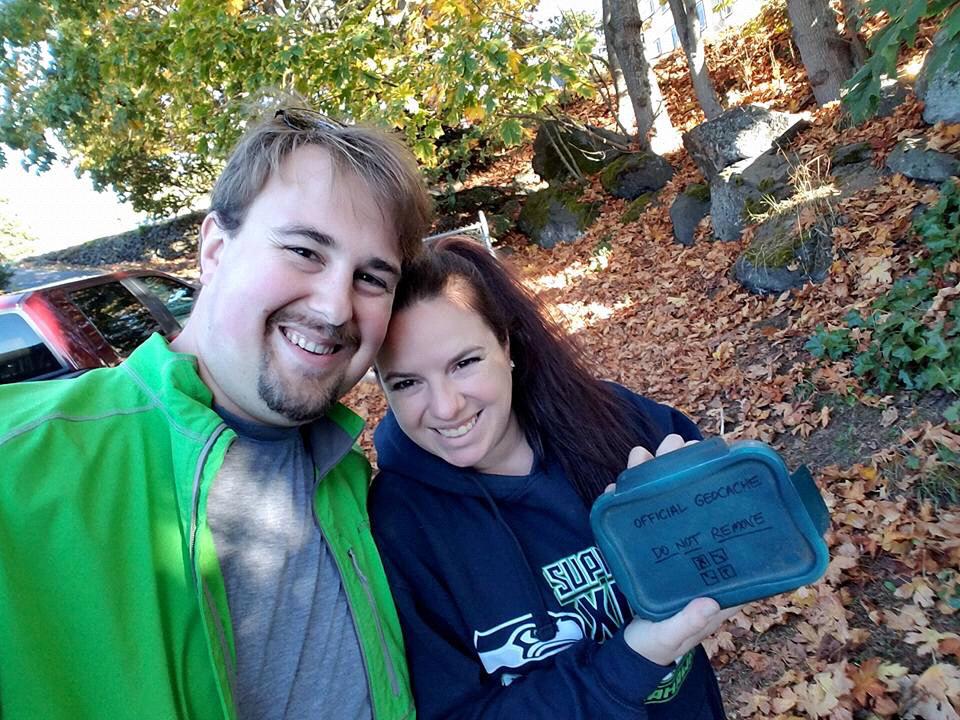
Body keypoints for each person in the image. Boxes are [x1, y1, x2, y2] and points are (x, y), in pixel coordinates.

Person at [0, 107, 431, 720]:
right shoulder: (22, 460)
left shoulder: (352, 484)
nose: (336, 308)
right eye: (305, 251)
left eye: (371, 277)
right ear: (215, 249)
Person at [370, 237, 737, 719]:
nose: (445, 407)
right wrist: (631, 661)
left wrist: (714, 525)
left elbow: (743, 532)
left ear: (506, 343)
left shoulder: (612, 421)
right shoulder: (399, 528)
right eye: (406, 382)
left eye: (464, 363)